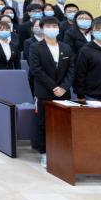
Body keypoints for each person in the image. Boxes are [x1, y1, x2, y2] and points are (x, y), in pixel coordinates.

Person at [26, 17, 75, 166]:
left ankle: (61, 151)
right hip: (44, 91)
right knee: (43, 123)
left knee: (63, 123)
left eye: (54, 26)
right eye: (48, 26)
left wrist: (64, 87)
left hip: (63, 93)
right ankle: (44, 153)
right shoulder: (35, 47)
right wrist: (54, 87)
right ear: (42, 29)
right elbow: (36, 69)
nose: (52, 28)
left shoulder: (66, 47)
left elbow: (71, 69)